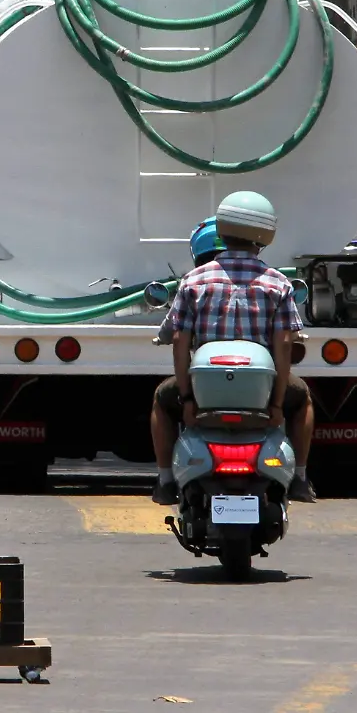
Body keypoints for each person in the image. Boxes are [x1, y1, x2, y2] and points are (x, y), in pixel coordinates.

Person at [149, 195, 318, 506]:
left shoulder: (194, 280)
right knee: (304, 398)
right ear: (265, 236)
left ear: (222, 231)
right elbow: (283, 346)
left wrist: (187, 399)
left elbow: (179, 341)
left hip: (204, 395)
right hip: (262, 394)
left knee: (162, 399)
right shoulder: (277, 283)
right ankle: (299, 478)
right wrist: (277, 404)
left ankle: (165, 481)